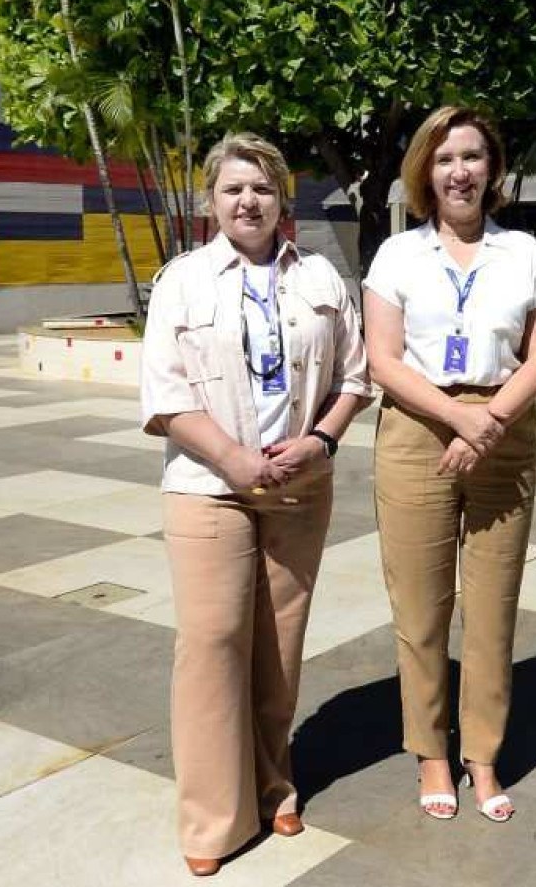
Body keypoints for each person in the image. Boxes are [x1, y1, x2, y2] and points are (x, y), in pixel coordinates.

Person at [141, 133, 371, 877]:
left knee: (279, 645)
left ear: (283, 201)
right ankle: (214, 816)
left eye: (263, 188)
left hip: (299, 487)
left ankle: (275, 780)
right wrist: (234, 457)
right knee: (211, 644)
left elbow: (354, 378)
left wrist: (323, 443)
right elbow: (166, 396)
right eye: (234, 188)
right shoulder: (181, 280)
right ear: (211, 200)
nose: (249, 201)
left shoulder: (322, 281)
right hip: (210, 486)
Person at [361, 106, 536, 824]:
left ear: (492, 167)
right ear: (425, 171)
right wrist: (456, 418)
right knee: (421, 609)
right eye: (445, 159)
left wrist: (490, 420)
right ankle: (431, 752)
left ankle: (482, 753)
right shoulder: (397, 256)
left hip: (504, 429)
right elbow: (382, 359)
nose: (460, 171)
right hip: (419, 429)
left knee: (492, 605)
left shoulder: (525, 254)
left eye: (472, 156)